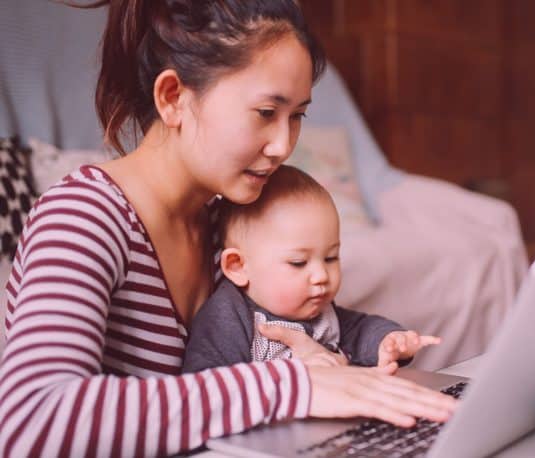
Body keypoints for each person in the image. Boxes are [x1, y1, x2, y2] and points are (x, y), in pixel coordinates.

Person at [0, 1, 456, 456]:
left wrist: (322, 363)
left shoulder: (232, 225)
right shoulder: (84, 217)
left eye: (297, 116)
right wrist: (288, 385)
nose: (283, 146)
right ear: (174, 97)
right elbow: (31, 419)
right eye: (265, 112)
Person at [183, 165, 440, 373]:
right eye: (298, 263)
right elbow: (207, 386)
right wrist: (293, 375)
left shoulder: (321, 311)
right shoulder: (229, 316)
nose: (321, 276)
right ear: (238, 267)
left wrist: (389, 341)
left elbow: (360, 329)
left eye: (330, 258)